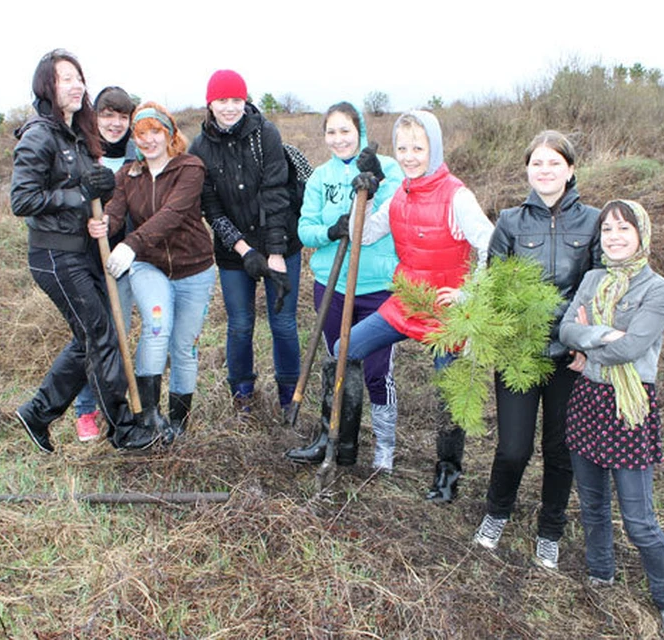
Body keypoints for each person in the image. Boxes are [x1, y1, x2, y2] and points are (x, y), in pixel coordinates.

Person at [291, 110, 493, 500]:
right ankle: (342, 444)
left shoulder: (457, 196)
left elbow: (492, 245)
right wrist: (362, 194)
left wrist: (469, 295)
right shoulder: (401, 193)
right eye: (403, 147)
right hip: (406, 302)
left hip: (447, 312)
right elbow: (362, 236)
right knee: (344, 348)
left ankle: (447, 474)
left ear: (434, 148)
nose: (410, 155)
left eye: (419, 147)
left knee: (450, 389)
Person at [10, 49, 158, 452]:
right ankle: (123, 429)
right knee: (101, 336)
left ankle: (37, 413)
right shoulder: (40, 134)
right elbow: (22, 199)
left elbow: (87, 193)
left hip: (81, 251)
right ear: (47, 86)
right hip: (55, 256)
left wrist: (100, 194)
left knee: (88, 338)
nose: (76, 85)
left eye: (79, 78)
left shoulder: (76, 133)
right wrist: (78, 195)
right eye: (65, 79)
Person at [559, 200, 664, 640]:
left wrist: (590, 340)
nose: (614, 237)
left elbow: (632, 349)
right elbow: (565, 332)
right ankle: (601, 574)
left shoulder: (658, 289)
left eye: (624, 229)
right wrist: (602, 334)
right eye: (608, 230)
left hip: (628, 408)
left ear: (641, 235)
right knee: (592, 504)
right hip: (588, 402)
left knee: (639, 520)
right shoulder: (593, 278)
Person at [473, 131, 601, 571]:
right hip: (519, 353)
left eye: (554, 163)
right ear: (527, 169)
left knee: (561, 449)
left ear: (570, 169)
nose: (545, 171)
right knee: (513, 447)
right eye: (537, 163)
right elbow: (493, 286)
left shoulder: (594, 222)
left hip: (571, 356)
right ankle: (497, 511)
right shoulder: (509, 222)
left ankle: (550, 530)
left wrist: (587, 345)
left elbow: (600, 289)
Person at [284, 102, 403, 472]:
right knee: (338, 361)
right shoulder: (320, 176)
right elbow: (305, 230)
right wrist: (331, 231)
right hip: (332, 284)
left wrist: (375, 187)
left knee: (376, 370)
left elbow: (395, 214)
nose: (339, 139)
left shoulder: (391, 170)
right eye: (331, 132)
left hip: (379, 285)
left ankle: (384, 445)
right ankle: (337, 441)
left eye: (345, 131)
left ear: (360, 131)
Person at [89, 102, 216, 444]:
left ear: (169, 134)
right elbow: (115, 213)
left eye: (155, 132)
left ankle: (178, 421)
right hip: (150, 266)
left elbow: (172, 214)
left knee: (184, 346)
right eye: (141, 134)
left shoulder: (190, 168)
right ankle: (149, 415)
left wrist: (130, 243)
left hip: (196, 270)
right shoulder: (127, 176)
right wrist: (104, 224)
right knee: (157, 329)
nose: (148, 141)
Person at [188, 70, 300, 418]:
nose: (230, 107)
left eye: (236, 99)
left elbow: (276, 192)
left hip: (280, 243)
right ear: (210, 103)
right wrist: (243, 250)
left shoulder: (264, 134)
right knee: (239, 324)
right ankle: (242, 396)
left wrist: (275, 253)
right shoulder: (200, 147)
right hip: (234, 253)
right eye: (222, 100)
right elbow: (212, 208)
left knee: (282, 322)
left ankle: (288, 399)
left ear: (245, 100)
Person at [72, 86, 138, 443]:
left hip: (121, 260)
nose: (115, 124)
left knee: (117, 336)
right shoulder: (82, 154)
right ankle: (85, 411)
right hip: (83, 260)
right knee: (87, 338)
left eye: (122, 117)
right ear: (94, 117)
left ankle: (116, 405)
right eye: (108, 115)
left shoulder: (136, 155)